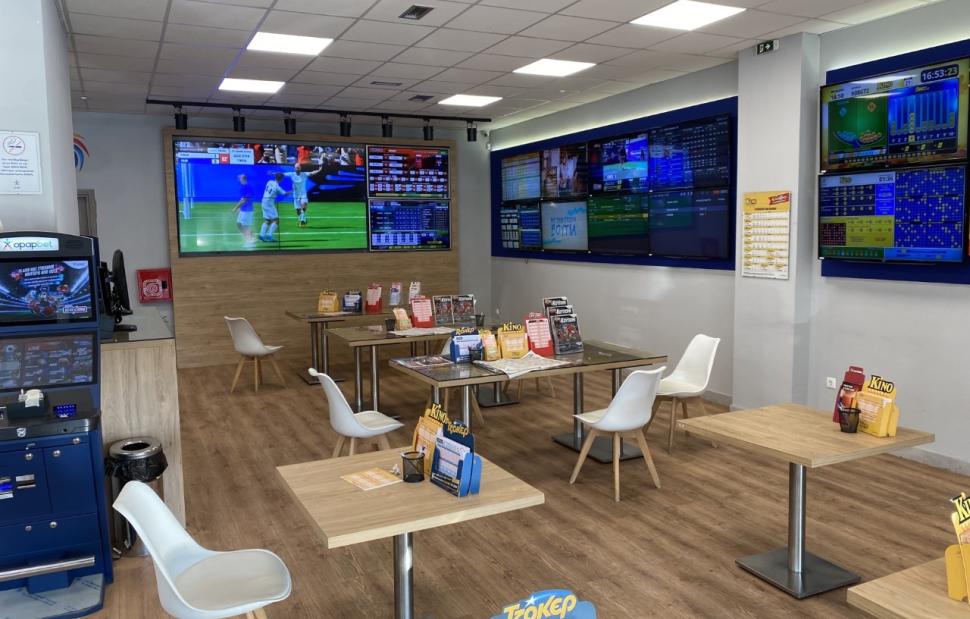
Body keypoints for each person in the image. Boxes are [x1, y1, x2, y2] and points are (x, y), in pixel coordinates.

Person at [259, 173, 288, 243]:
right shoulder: (277, 187)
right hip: (269, 203)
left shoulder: (269, 182)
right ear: (281, 179)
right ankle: (269, 235)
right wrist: (293, 190)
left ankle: (261, 235)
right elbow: (285, 194)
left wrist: (273, 174)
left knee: (268, 220)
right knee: (276, 220)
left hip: (264, 201)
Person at [232, 174, 256, 247]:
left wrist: (236, 208)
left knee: (245, 226)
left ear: (243, 179)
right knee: (239, 224)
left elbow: (245, 200)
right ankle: (252, 238)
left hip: (247, 211)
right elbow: (242, 199)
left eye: (240, 178)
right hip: (243, 210)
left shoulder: (247, 187)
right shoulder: (242, 187)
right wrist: (240, 208)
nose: (238, 179)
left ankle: (249, 242)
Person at [285, 163, 312, 227]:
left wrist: (319, 170)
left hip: (303, 194)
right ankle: (303, 219)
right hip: (296, 195)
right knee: (298, 210)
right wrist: (273, 173)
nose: (297, 168)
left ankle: (302, 220)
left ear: (300, 168)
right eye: (296, 167)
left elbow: (312, 173)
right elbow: (282, 174)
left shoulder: (304, 174)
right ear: (294, 168)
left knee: (304, 206)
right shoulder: (292, 174)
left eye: (298, 167)